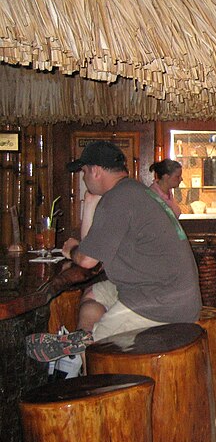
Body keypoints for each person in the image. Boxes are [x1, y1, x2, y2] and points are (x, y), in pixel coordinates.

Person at [61, 141, 201, 342]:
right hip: (171, 292)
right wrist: (90, 202)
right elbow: (93, 246)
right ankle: (78, 351)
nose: (83, 178)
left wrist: (72, 249)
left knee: (99, 344)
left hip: (160, 303)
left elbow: (87, 260)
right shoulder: (133, 191)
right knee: (93, 294)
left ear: (96, 171)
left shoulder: (117, 199)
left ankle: (87, 353)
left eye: (84, 172)